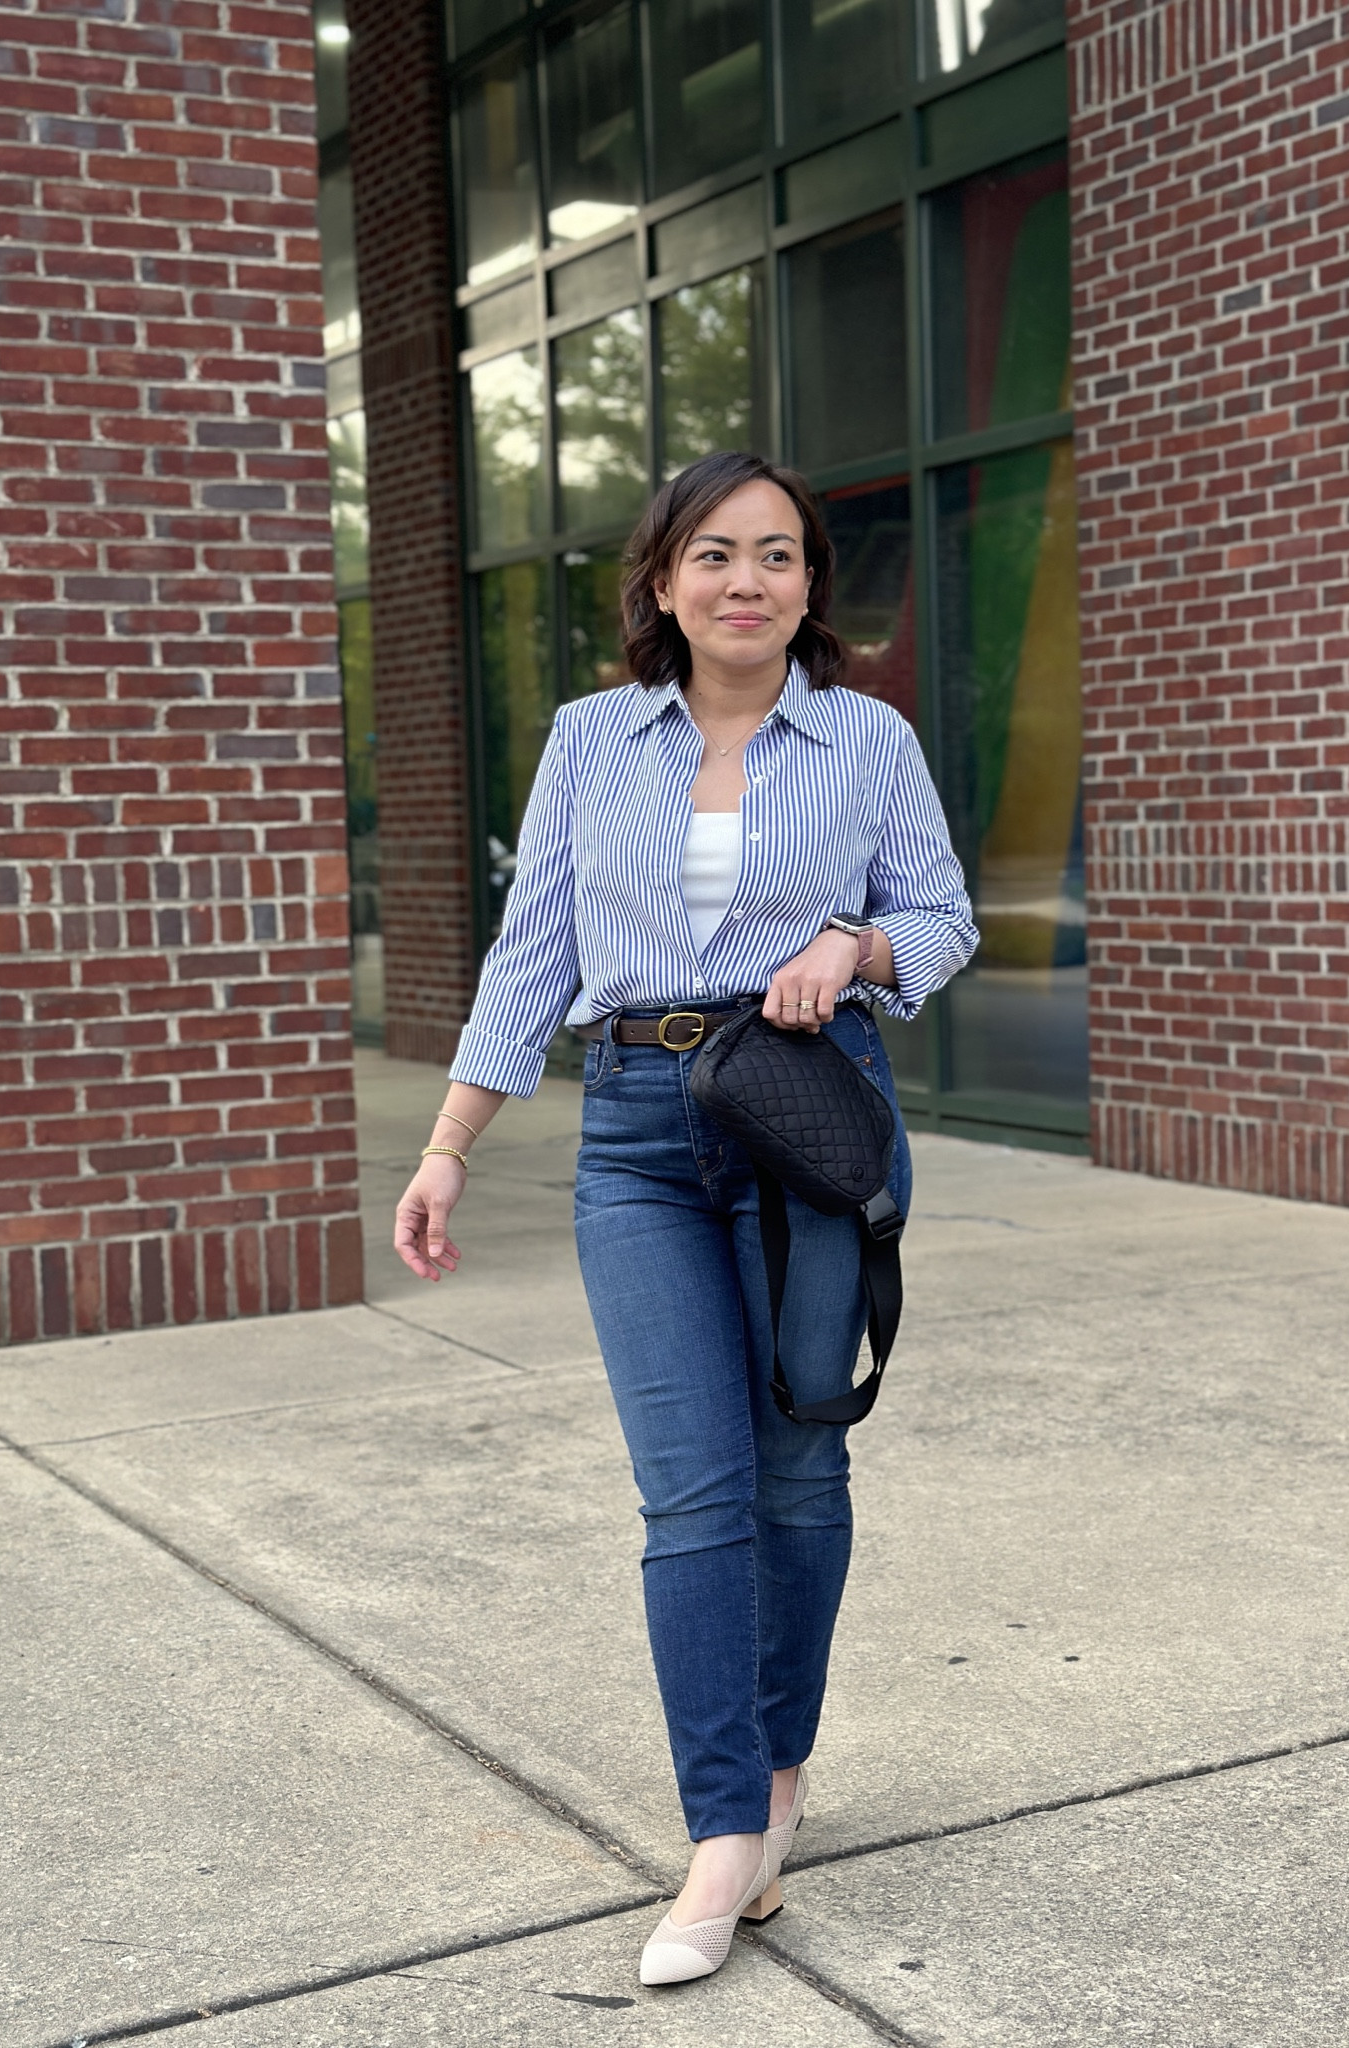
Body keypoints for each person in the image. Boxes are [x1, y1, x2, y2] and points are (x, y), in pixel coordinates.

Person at [393, 451, 977, 1986]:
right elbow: (534, 951)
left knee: (798, 1465)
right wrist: (450, 1143)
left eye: (777, 557)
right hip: (641, 1136)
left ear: (806, 590)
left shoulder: (868, 739)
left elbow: (942, 917)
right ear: (661, 580)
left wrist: (852, 949)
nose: (746, 580)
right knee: (691, 1492)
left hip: (803, 1117)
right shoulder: (592, 739)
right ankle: (722, 1826)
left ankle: (778, 1779)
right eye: (714, 554)